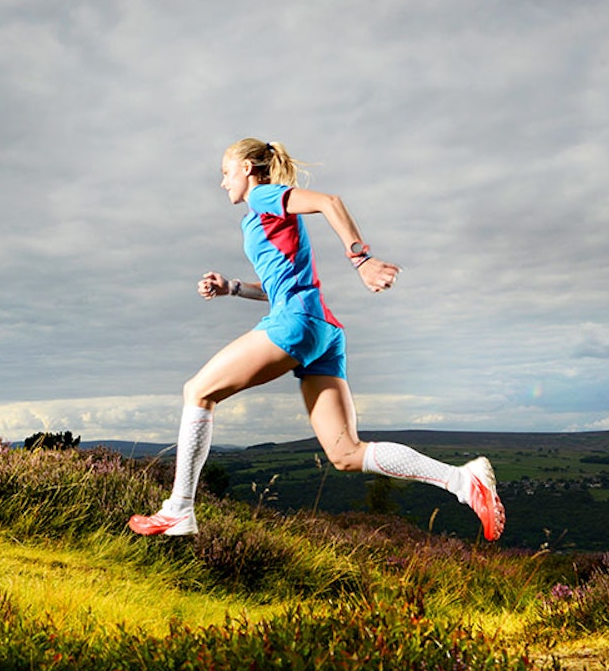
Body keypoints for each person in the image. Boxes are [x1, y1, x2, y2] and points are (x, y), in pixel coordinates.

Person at [128, 139, 505, 541]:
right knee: (345, 453)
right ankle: (464, 481)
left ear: (249, 168)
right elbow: (279, 284)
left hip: (296, 322)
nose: (223, 183)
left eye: (225, 172)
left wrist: (360, 258)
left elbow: (330, 202)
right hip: (322, 329)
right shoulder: (261, 215)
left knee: (197, 391)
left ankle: (179, 510)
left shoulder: (263, 197)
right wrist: (233, 287)